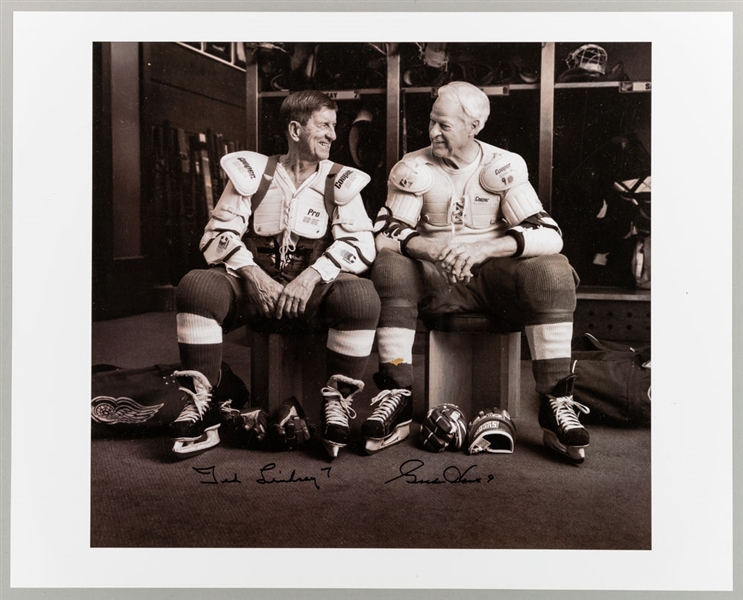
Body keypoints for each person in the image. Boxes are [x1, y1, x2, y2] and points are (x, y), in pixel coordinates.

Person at [366, 81, 590, 462]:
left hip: (492, 281)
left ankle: (556, 401)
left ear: (475, 126)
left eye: (444, 125)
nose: (433, 132)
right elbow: (386, 233)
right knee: (389, 266)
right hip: (433, 279)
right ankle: (397, 394)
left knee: (553, 270)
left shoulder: (501, 165)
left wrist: (483, 247)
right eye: (432, 122)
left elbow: (549, 233)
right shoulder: (414, 167)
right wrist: (431, 248)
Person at [169, 90, 381, 459]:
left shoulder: (341, 180)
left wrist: (313, 275)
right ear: (295, 129)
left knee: (361, 295)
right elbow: (215, 236)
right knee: (196, 285)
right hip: (253, 287)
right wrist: (252, 273)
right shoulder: (254, 173)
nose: (333, 135)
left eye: (334, 126)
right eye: (324, 125)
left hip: (311, 288)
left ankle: (337, 403)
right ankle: (203, 403)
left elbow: (362, 244)